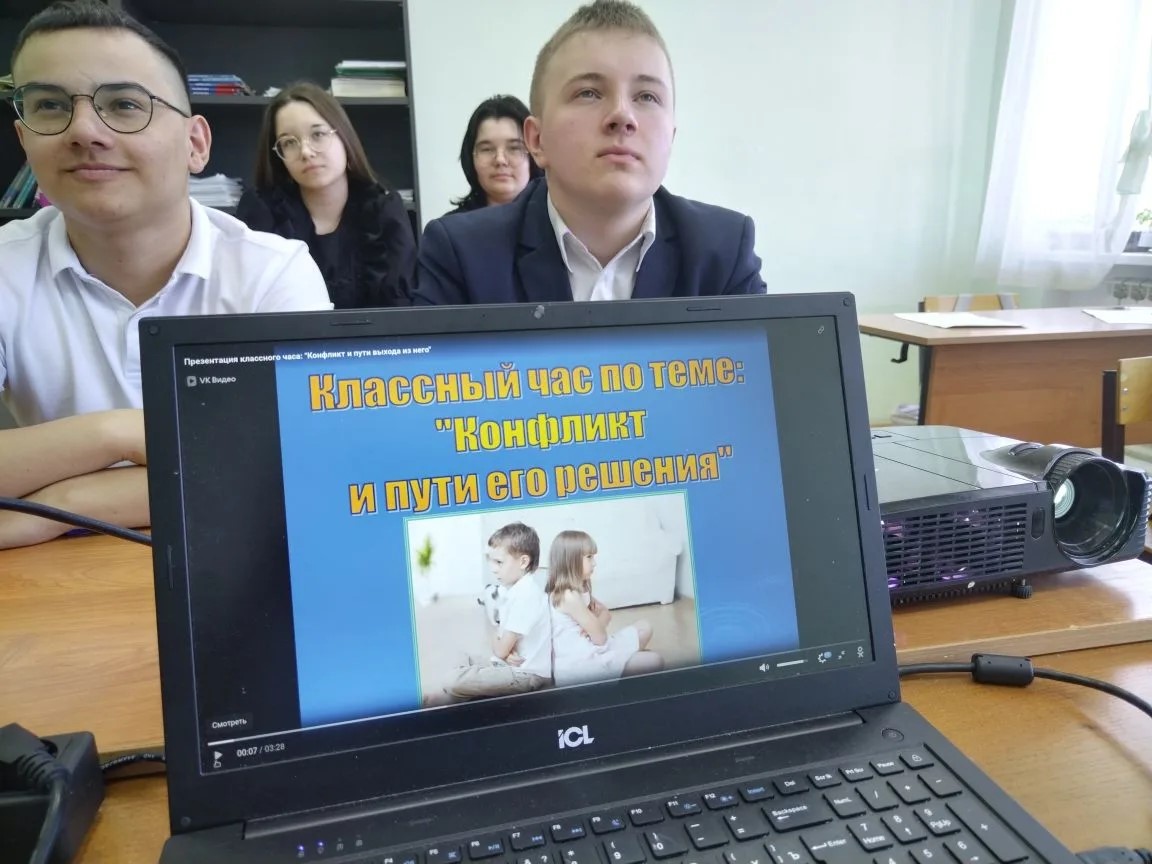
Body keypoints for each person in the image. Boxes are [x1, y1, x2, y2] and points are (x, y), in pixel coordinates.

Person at [0, 0, 332, 549]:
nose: (84, 130)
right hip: (53, 579)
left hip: (237, 561)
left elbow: (299, 469)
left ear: (195, 144)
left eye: (125, 104)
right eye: (50, 106)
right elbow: (231, 468)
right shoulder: (6, 266)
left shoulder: (271, 272)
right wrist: (118, 434)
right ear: (25, 141)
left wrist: (62, 506)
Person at [412, 0, 766, 305]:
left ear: (670, 138)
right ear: (536, 140)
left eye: (646, 96)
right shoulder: (461, 255)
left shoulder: (724, 252)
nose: (622, 116)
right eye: (589, 93)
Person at [235, 82, 417, 308]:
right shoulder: (262, 211)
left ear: (344, 137)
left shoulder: (384, 210)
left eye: (318, 134)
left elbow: (401, 311)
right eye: (289, 142)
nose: (305, 152)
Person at [445, 522, 553, 700]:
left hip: (526, 675)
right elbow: (502, 647)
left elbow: (500, 649)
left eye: (499, 562)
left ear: (523, 562)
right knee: (458, 655)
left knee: (453, 681)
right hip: (508, 664)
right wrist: (504, 651)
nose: (493, 568)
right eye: (490, 560)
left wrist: (498, 641)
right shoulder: (512, 589)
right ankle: (466, 693)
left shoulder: (527, 596)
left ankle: (457, 696)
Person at [546, 530, 662, 687]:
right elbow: (600, 638)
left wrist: (595, 624)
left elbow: (606, 614)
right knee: (655, 660)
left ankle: (623, 669)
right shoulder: (568, 596)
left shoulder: (579, 587)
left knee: (645, 627)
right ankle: (615, 678)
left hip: (593, 647)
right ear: (571, 561)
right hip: (582, 665)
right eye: (589, 557)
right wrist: (596, 624)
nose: (594, 563)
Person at [446, 94, 541, 215]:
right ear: (470, 157)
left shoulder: (557, 219)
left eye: (514, 148)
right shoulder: (451, 225)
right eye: (487, 149)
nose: (500, 160)